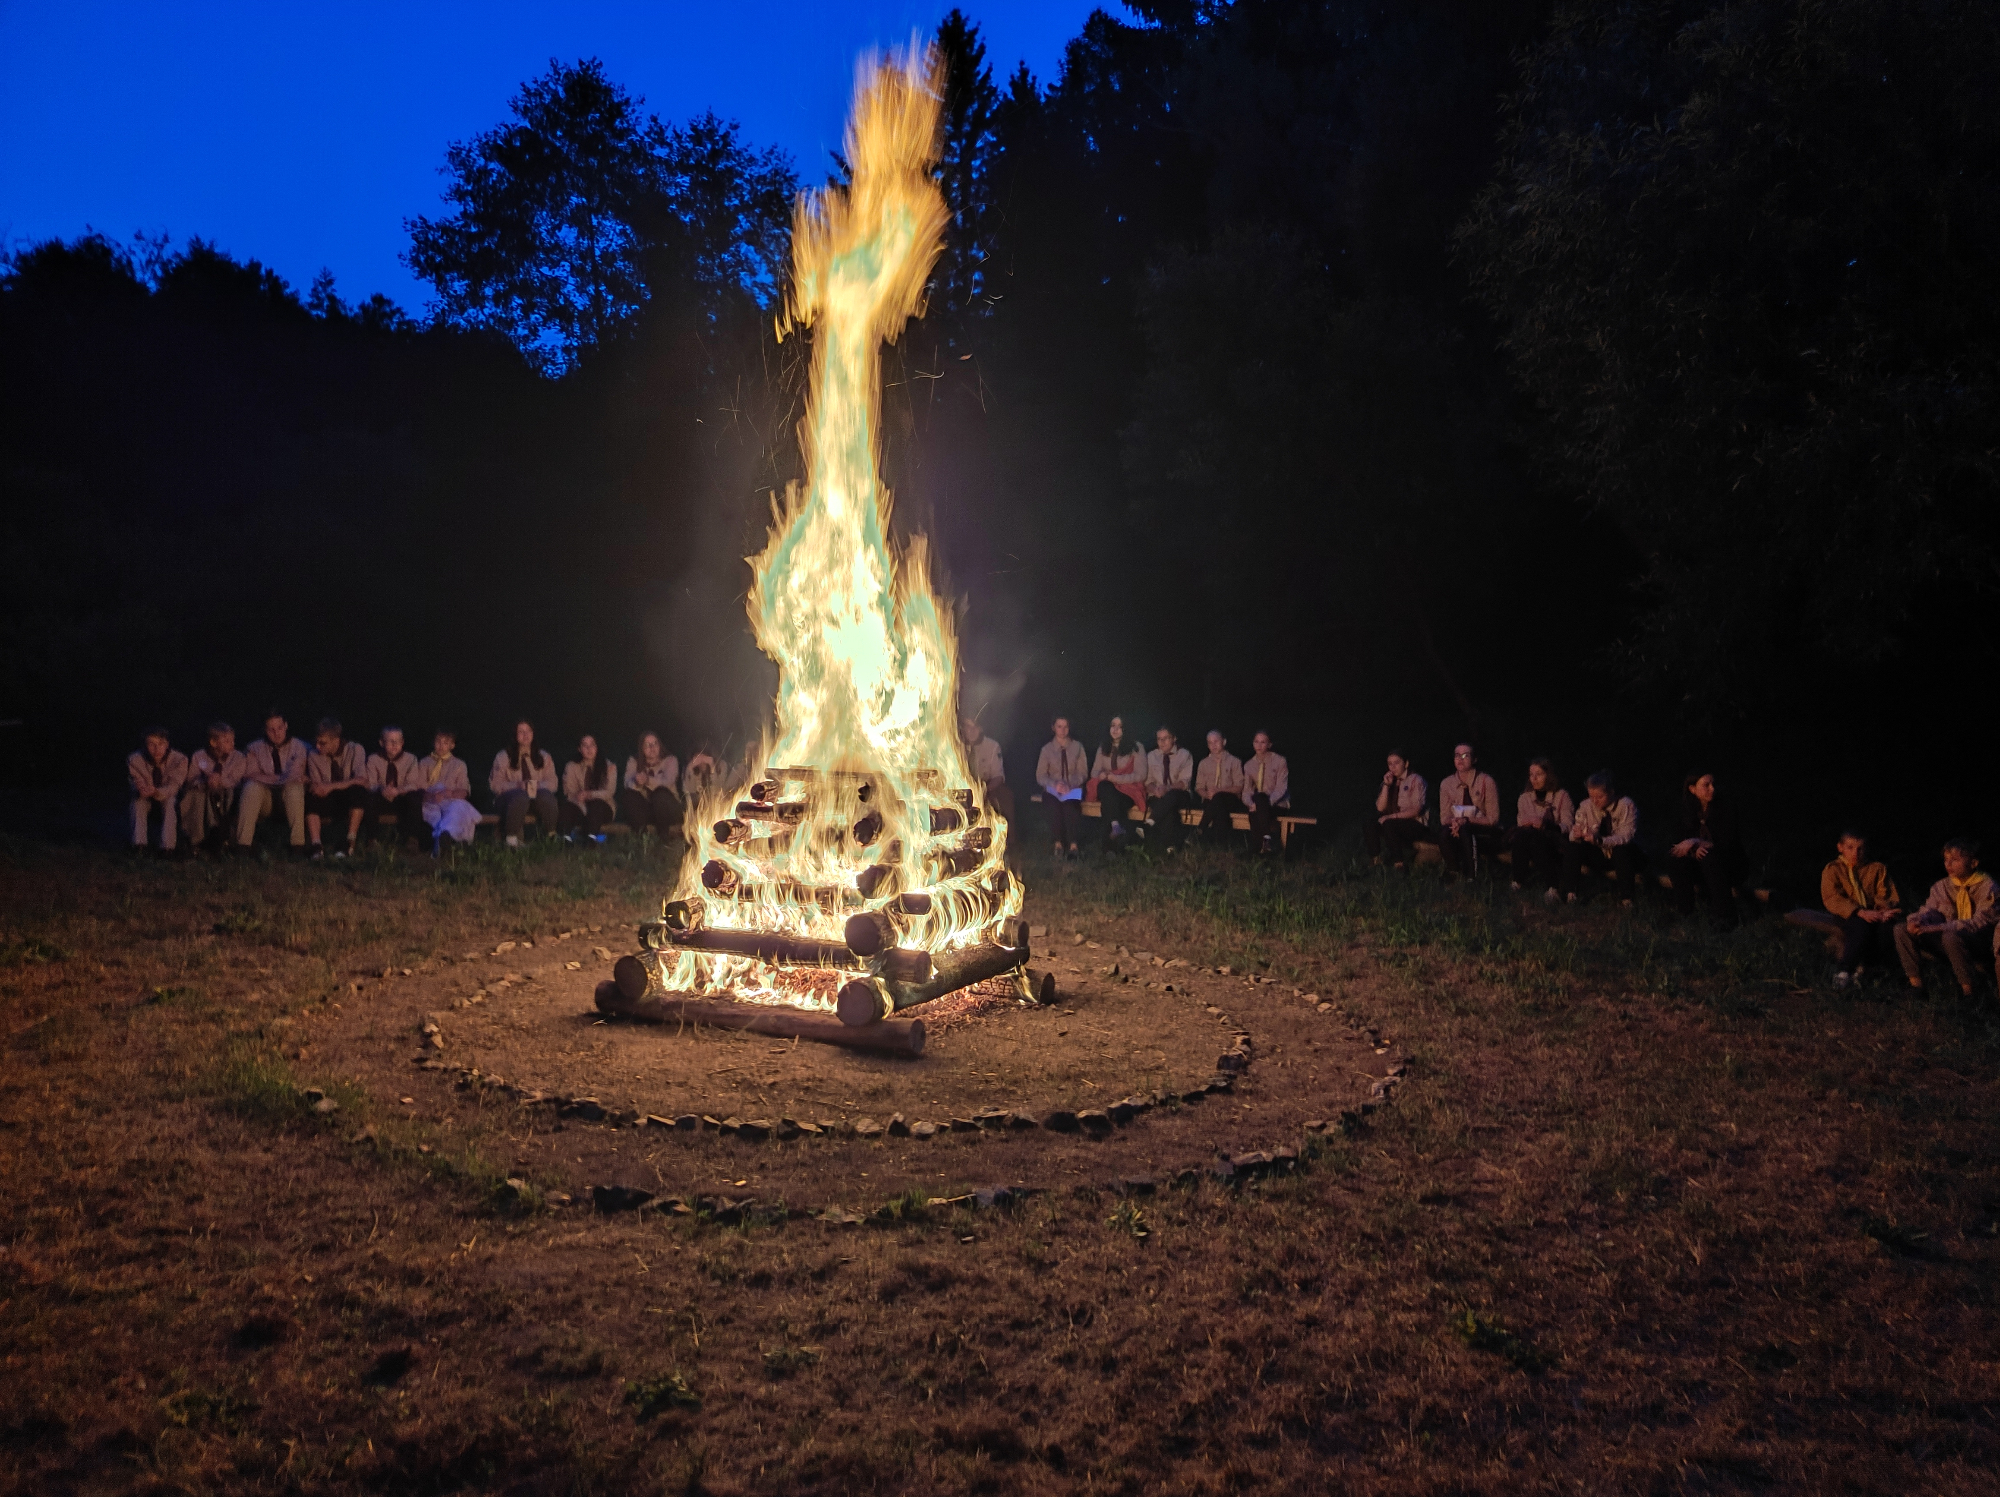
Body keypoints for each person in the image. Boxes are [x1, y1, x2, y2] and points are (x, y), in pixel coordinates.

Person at [1894, 838, 1997, 996]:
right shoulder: (1942, 886)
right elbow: (1930, 909)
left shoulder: (1987, 886)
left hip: (1977, 942)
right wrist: (1917, 920)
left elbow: (1980, 922)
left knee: (1950, 936)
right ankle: (1916, 985)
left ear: (1973, 862)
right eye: (1946, 860)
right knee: (1901, 929)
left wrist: (1940, 927)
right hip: (1946, 940)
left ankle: (1968, 990)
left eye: (1955, 860)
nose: (1948, 864)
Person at [1817, 831, 1902, 987]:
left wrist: (1883, 910)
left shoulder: (1877, 868)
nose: (1855, 853)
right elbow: (1832, 897)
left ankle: (1872, 969)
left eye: (1860, 848)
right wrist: (1858, 911)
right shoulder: (1833, 869)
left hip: (1873, 912)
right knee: (1860, 927)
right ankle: (1845, 971)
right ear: (1840, 847)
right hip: (1847, 913)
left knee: (1886, 928)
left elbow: (1886, 894)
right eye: (1850, 847)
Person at [1667, 770, 1746, 928]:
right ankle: (1685, 911)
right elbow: (1679, 842)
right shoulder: (1687, 810)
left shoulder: (1726, 808)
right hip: (1701, 866)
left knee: (1708, 856)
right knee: (1676, 857)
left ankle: (1725, 916)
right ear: (1692, 789)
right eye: (1706, 785)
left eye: (1713, 784)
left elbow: (1727, 842)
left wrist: (1696, 841)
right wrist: (1692, 850)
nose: (1712, 789)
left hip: (1728, 865)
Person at [1562, 771, 1642, 904]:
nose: (1595, 801)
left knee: (1621, 850)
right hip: (1599, 854)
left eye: (1599, 796)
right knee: (1574, 846)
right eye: (1591, 796)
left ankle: (1627, 899)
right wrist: (1576, 834)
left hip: (1625, 855)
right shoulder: (1586, 806)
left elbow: (1626, 836)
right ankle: (1571, 893)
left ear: (1611, 792)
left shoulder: (1626, 805)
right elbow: (1575, 830)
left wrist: (1600, 840)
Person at [236, 710, 307, 854]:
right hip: (266, 799)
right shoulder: (254, 748)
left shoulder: (300, 747)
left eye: (280, 728)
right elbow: (250, 774)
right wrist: (280, 778)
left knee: (294, 788)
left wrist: (266, 777)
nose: (277, 733)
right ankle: (243, 845)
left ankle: (298, 845)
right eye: (271, 730)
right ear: (265, 730)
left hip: (291, 799)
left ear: (286, 726)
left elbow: (296, 773)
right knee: (251, 787)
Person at [1510, 758, 1573, 903]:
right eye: (1531, 774)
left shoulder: (1561, 796)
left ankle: (1553, 887)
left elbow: (1567, 824)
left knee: (1539, 839)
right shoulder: (1525, 798)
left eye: (1539, 774)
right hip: (1528, 837)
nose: (1534, 778)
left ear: (1548, 775)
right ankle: (1517, 881)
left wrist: (1546, 824)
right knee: (1521, 836)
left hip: (1553, 839)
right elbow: (1521, 820)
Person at [305, 717, 368, 858]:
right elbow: (317, 784)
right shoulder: (314, 755)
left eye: (323, 743)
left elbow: (361, 779)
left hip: (347, 796)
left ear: (335, 740)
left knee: (358, 792)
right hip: (327, 798)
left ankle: (349, 841)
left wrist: (330, 786)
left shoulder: (355, 749)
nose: (318, 746)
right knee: (311, 797)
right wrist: (319, 787)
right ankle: (316, 845)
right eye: (316, 742)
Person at [490, 719, 560, 847]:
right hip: (511, 801)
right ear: (515, 735)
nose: (525, 735)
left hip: (535, 799)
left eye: (528, 731)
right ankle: (511, 840)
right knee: (520, 796)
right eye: (521, 732)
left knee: (546, 795)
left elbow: (553, 783)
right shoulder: (503, 756)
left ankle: (551, 836)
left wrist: (538, 785)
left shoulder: (544, 756)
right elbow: (495, 784)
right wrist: (517, 785)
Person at [180, 721, 245, 854]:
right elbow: (191, 779)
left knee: (229, 794)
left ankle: (221, 835)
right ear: (213, 742)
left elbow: (236, 779)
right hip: (204, 791)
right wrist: (205, 781)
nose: (232, 743)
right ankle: (196, 839)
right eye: (227, 741)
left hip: (227, 793)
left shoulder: (238, 757)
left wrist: (219, 781)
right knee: (195, 795)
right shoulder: (199, 756)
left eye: (233, 740)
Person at [1436, 742, 1499, 878]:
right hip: (1456, 825)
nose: (1460, 759)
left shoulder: (1486, 781)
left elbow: (1493, 818)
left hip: (1480, 826)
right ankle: (1453, 869)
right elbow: (1444, 817)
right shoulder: (1447, 783)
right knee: (1443, 832)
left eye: (1465, 755)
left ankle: (1472, 875)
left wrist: (1466, 821)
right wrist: (1454, 823)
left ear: (1474, 759)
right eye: (1457, 755)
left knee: (1466, 830)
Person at [1363, 750, 1431, 868]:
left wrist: (1391, 816)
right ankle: (1375, 859)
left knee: (1389, 823)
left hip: (1415, 823)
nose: (1393, 767)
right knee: (1370, 820)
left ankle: (1399, 863)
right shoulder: (1389, 781)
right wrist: (1386, 785)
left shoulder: (1416, 780)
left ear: (1406, 764)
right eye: (1390, 764)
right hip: (1393, 822)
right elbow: (1380, 807)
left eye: (1396, 763)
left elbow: (1417, 810)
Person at [1087, 717, 1147, 850]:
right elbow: (1094, 772)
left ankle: (1109, 848)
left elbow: (1140, 775)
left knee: (1109, 804)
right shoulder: (1103, 747)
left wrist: (1116, 778)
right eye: (1112, 725)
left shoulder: (1136, 747)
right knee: (1105, 787)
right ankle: (1116, 832)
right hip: (1108, 789)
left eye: (1119, 726)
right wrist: (1102, 775)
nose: (1115, 729)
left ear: (1125, 729)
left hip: (1127, 791)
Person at [127, 727, 187, 854]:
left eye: (161, 744)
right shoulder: (135, 760)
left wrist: (156, 792)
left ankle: (167, 847)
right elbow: (135, 781)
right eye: (151, 744)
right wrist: (141, 788)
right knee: (138, 802)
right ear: (145, 745)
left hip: (167, 795)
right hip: (146, 796)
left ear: (167, 744)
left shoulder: (179, 760)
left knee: (170, 802)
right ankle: (139, 845)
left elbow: (174, 786)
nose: (156, 749)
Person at [365, 725, 426, 850]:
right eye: (390, 741)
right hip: (382, 797)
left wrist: (398, 790)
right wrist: (382, 788)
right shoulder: (373, 759)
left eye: (398, 741)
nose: (394, 744)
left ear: (402, 743)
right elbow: (371, 783)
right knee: (369, 798)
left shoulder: (411, 759)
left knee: (414, 797)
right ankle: (372, 839)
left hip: (401, 798)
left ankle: (412, 839)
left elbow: (413, 783)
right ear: (382, 743)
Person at [417, 729, 481, 849]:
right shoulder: (425, 762)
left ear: (452, 745)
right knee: (432, 813)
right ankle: (441, 840)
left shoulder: (459, 764)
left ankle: (447, 837)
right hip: (431, 801)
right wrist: (432, 796)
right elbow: (419, 788)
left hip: (450, 800)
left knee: (457, 808)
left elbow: (464, 791)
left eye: (445, 743)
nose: (441, 746)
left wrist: (450, 793)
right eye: (438, 742)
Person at [1036, 716, 1088, 859]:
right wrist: (1054, 784)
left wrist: (1070, 784)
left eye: (1065, 726)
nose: (1062, 730)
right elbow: (1040, 775)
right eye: (1059, 726)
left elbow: (1082, 772)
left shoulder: (1077, 747)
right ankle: (1058, 843)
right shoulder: (1047, 749)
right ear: (1054, 728)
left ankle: (1073, 845)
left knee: (1071, 807)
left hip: (1072, 789)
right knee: (1053, 806)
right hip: (1053, 789)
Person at [620, 732, 683, 840]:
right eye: (647, 745)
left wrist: (648, 780)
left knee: (660, 794)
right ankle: (642, 838)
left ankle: (664, 838)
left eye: (655, 744)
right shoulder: (634, 761)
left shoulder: (670, 760)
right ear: (642, 748)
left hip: (668, 809)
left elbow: (668, 782)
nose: (652, 748)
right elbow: (627, 783)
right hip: (648, 809)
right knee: (629, 796)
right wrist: (637, 782)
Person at [1144, 726, 1195, 854]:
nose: (1162, 742)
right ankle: (1170, 848)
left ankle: (1150, 821)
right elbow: (1147, 781)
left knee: (1171, 797)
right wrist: (1155, 789)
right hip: (1158, 795)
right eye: (1159, 739)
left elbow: (1184, 782)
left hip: (1179, 794)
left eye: (1165, 739)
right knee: (1169, 809)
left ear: (1174, 738)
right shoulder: (1151, 756)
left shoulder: (1184, 755)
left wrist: (1167, 788)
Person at [560, 734, 619, 842]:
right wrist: (581, 802)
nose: (589, 749)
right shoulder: (572, 766)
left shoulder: (608, 766)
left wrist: (590, 795)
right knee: (567, 808)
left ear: (597, 747)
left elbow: (609, 792)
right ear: (579, 749)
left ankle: (591, 838)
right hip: (580, 805)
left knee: (597, 805)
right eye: (585, 745)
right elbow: (569, 791)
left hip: (602, 807)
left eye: (592, 745)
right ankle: (565, 839)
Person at [1242, 730, 1291, 854]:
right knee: (1255, 808)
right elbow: (1247, 791)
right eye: (1256, 742)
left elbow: (1281, 788)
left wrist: (1265, 803)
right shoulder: (1249, 765)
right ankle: (1266, 842)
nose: (1259, 745)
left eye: (1263, 742)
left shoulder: (1280, 761)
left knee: (1261, 799)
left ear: (1269, 744)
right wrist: (1250, 804)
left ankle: (1255, 849)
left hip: (1277, 804)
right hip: (1258, 805)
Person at [1194, 730, 1247, 842]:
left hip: (1230, 799)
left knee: (1218, 799)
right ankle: (1220, 845)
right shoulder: (1204, 763)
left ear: (1224, 742)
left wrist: (1219, 791)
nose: (1213, 745)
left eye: (1216, 741)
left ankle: (1200, 828)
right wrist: (1207, 794)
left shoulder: (1234, 761)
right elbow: (1199, 787)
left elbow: (1239, 786)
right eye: (1210, 743)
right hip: (1210, 800)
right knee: (1218, 807)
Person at [962, 718, 1013, 824]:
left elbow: (998, 776)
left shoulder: (992, 746)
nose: (971, 731)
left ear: (980, 729)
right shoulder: (957, 746)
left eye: (974, 727)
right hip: (964, 788)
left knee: (1005, 797)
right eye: (968, 727)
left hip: (987, 786)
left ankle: (1007, 837)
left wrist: (984, 789)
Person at [682, 741, 728, 807]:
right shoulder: (689, 768)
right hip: (697, 808)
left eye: (704, 757)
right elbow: (688, 793)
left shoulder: (721, 766)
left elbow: (718, 789)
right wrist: (689, 769)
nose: (701, 760)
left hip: (717, 806)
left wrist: (712, 768)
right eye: (697, 757)